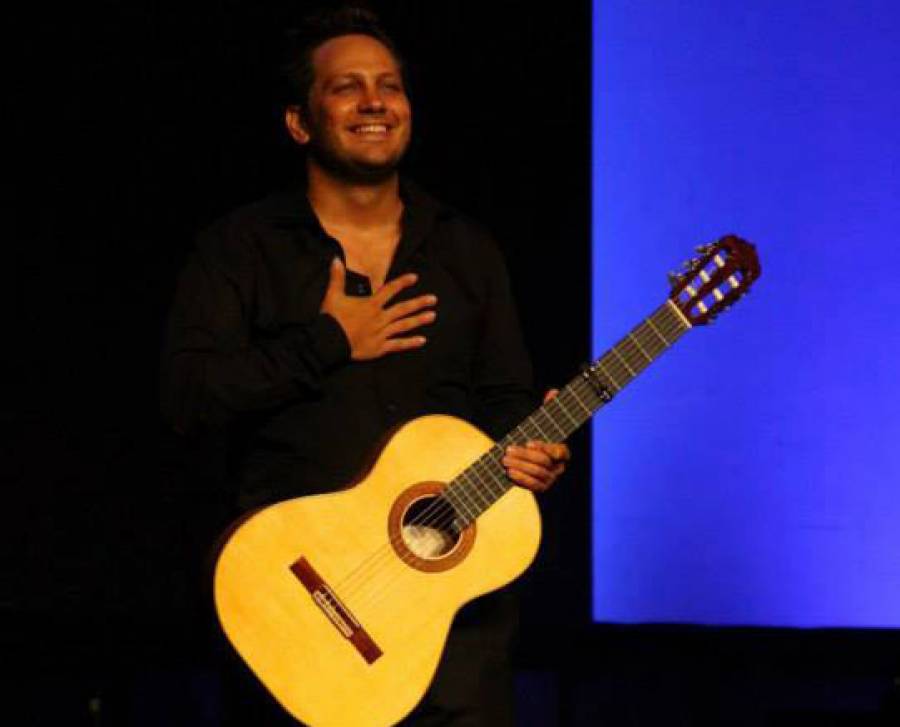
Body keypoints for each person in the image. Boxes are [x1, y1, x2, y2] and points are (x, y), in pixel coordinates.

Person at [161, 6, 570, 725]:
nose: (375, 101)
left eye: (389, 85)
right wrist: (327, 341)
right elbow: (188, 398)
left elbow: (505, 400)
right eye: (346, 87)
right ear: (300, 123)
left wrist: (532, 452)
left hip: (452, 632)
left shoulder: (466, 249)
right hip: (303, 620)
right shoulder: (243, 248)